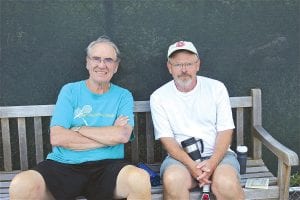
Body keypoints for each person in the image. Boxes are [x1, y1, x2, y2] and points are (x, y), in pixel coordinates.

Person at [9, 36, 151, 200]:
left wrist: (78, 129)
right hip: (64, 165)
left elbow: (122, 135)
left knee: (140, 180)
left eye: (108, 60)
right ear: (87, 63)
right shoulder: (70, 91)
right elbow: (57, 137)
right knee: (21, 185)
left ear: (116, 66)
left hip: (108, 167)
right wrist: (108, 137)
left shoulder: (123, 96)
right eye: (96, 59)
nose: (101, 65)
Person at [150, 40, 245, 200]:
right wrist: (192, 166)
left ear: (198, 65)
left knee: (226, 183)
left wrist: (212, 163)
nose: (184, 70)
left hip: (219, 157)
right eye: (178, 65)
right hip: (180, 160)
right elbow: (167, 141)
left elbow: (225, 130)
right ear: (169, 67)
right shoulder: (158, 97)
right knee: (173, 181)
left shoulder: (216, 88)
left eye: (189, 63)